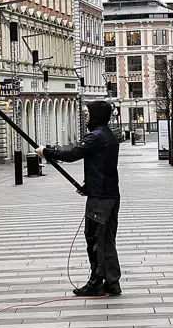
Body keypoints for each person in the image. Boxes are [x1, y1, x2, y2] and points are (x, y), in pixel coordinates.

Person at [44, 100, 122, 297]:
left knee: (94, 239)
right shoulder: (109, 136)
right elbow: (102, 166)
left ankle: (96, 282)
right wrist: (89, 184)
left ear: (96, 115)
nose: (85, 117)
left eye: (87, 114)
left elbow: (72, 155)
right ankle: (112, 282)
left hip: (100, 200)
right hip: (110, 195)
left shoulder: (95, 136)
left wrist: (46, 152)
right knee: (107, 240)